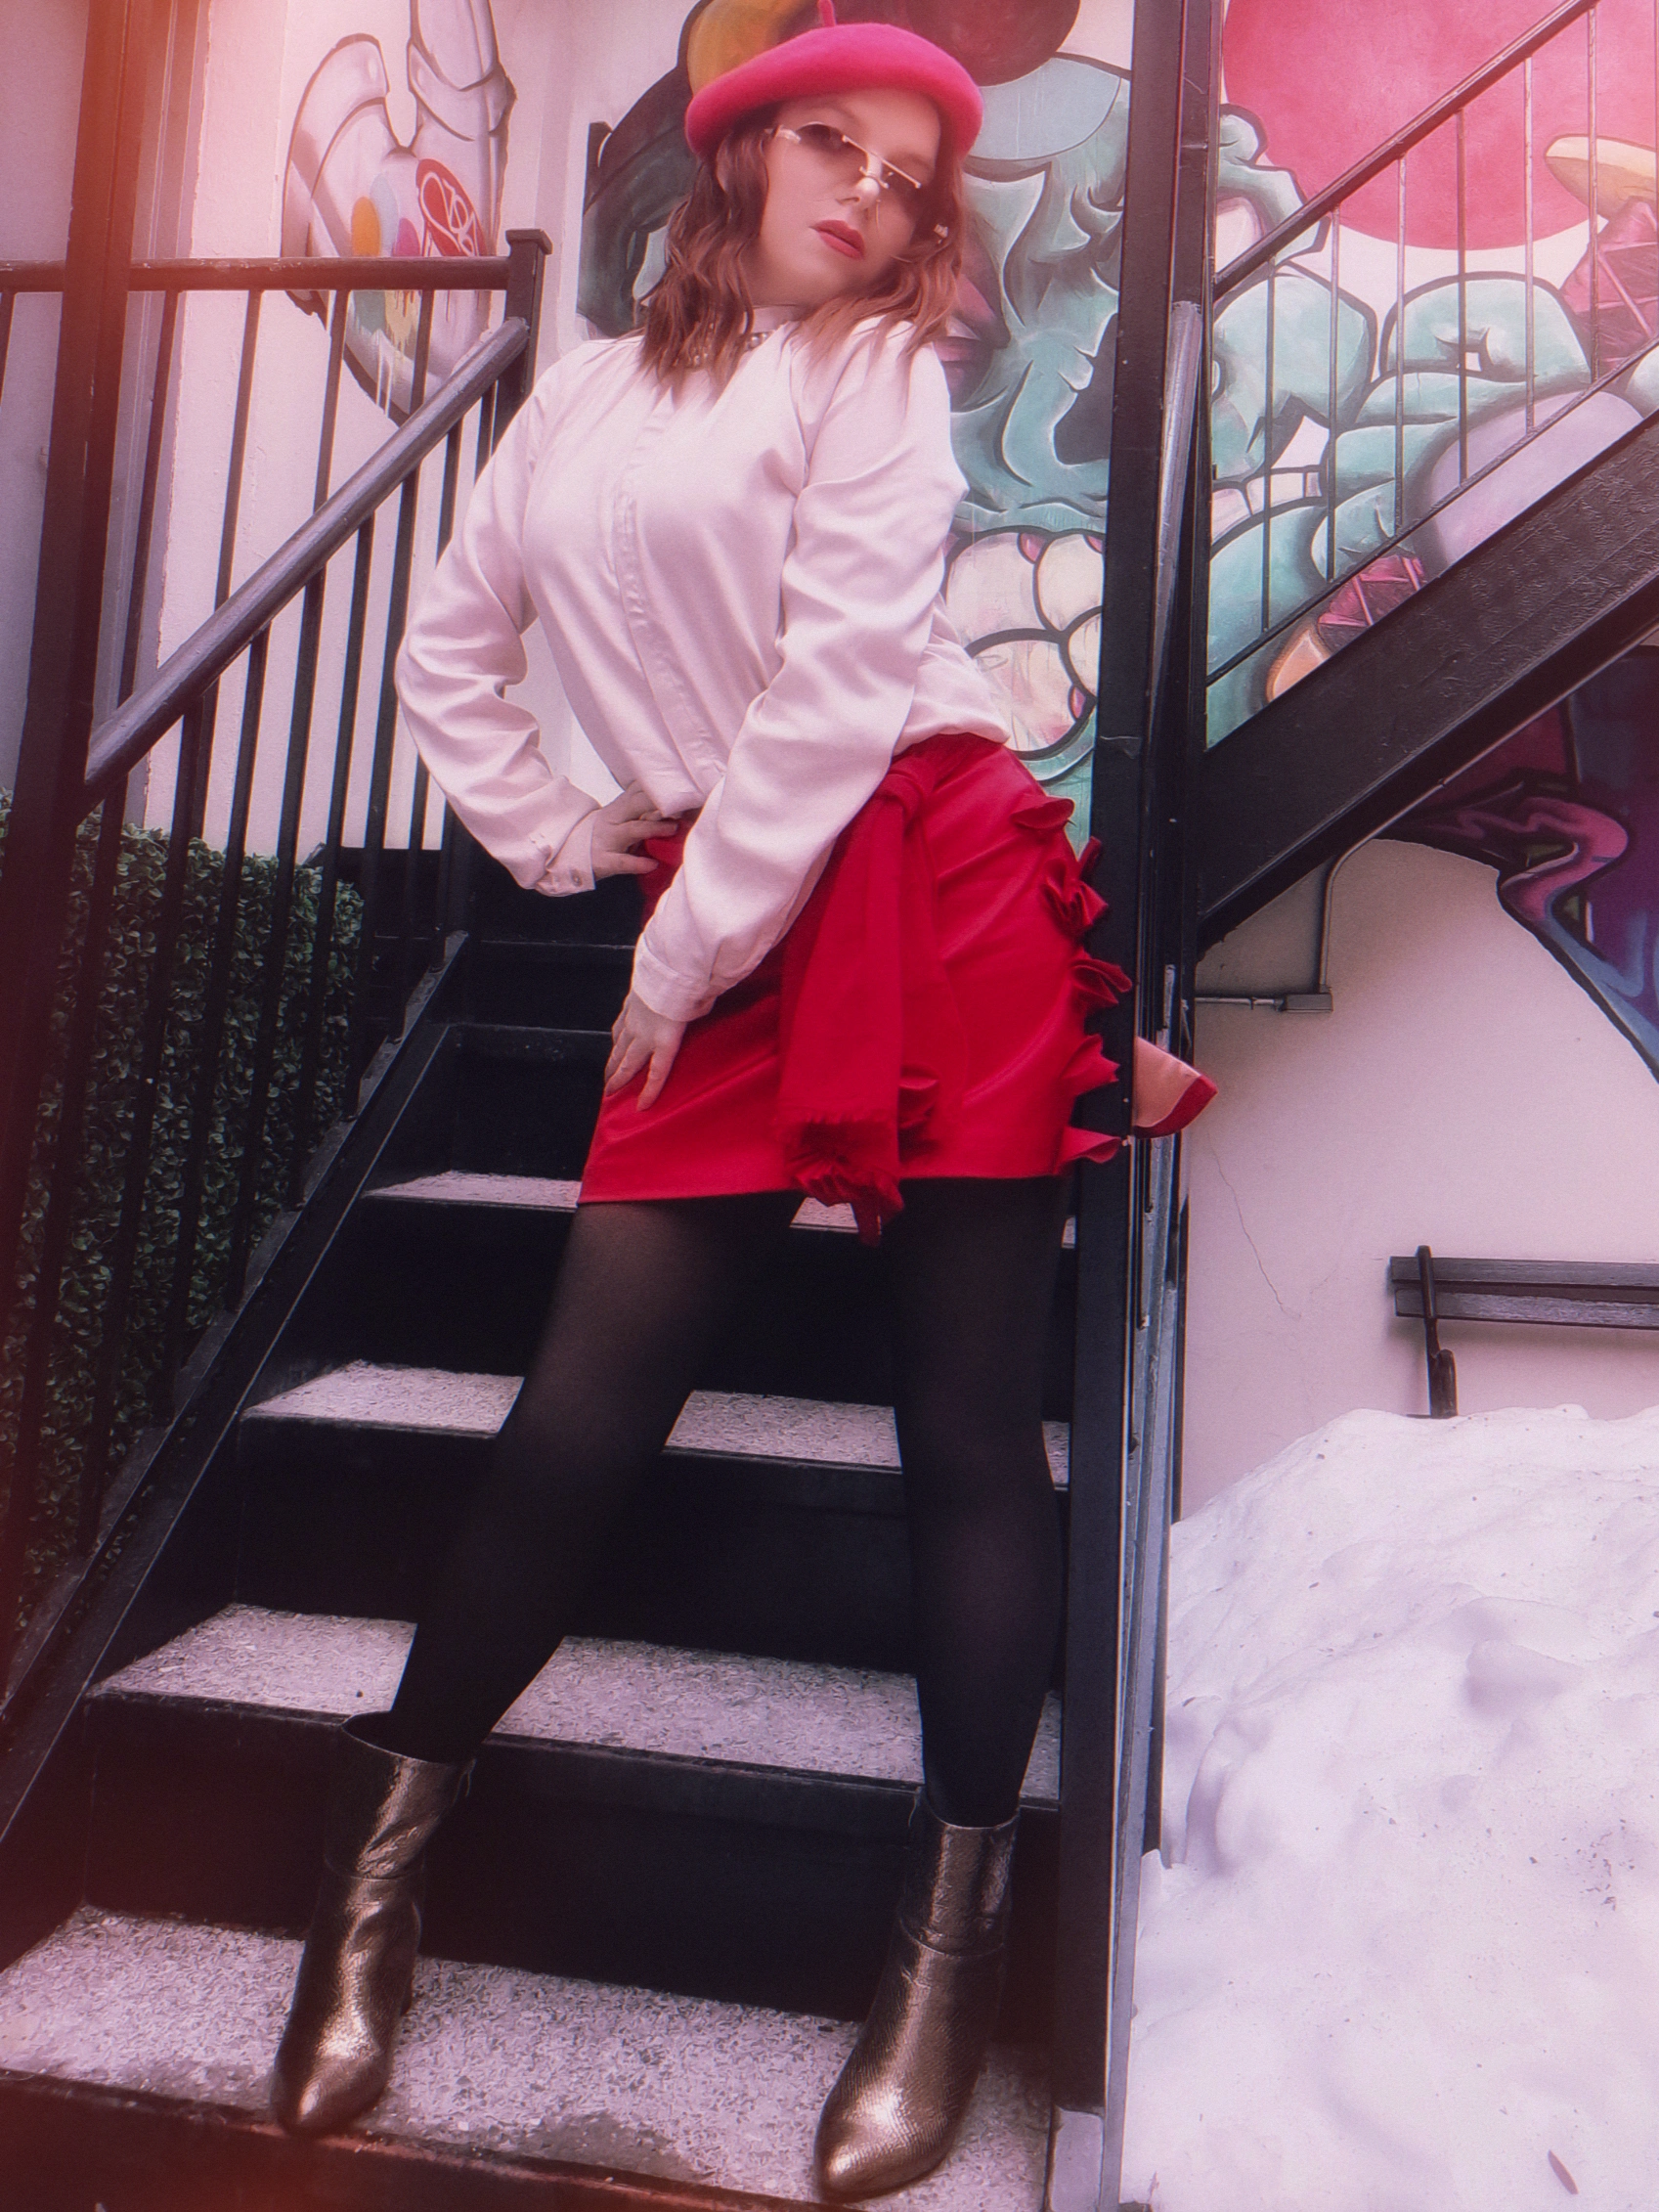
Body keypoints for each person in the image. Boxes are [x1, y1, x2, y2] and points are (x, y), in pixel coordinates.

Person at [269, 4, 1212, 2193]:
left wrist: (677, 945)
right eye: (832, 147)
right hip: (720, 893)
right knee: (578, 1416)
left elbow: (836, 683)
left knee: (963, 1433)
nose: (868, 194)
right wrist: (552, 836)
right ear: (739, 153)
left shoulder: (871, 375)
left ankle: (944, 1957)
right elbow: (446, 650)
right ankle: (370, 1879)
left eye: (907, 175)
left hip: (929, 877)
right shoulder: (577, 396)